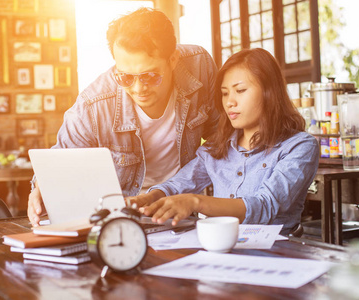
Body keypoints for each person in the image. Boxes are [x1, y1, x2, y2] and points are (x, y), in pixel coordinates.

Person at [28, 8, 219, 226]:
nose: (139, 88)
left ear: (173, 59)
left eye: (150, 76)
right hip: (122, 219)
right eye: (126, 77)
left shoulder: (199, 66)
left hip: (180, 210)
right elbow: (60, 160)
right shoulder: (93, 105)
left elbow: (220, 140)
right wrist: (42, 188)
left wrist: (172, 191)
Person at [128, 48, 320, 235]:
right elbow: (179, 183)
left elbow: (265, 206)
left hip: (278, 250)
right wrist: (149, 198)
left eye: (240, 90)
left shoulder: (299, 146)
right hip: (222, 246)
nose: (230, 102)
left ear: (270, 92)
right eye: (225, 93)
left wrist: (196, 202)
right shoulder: (217, 147)